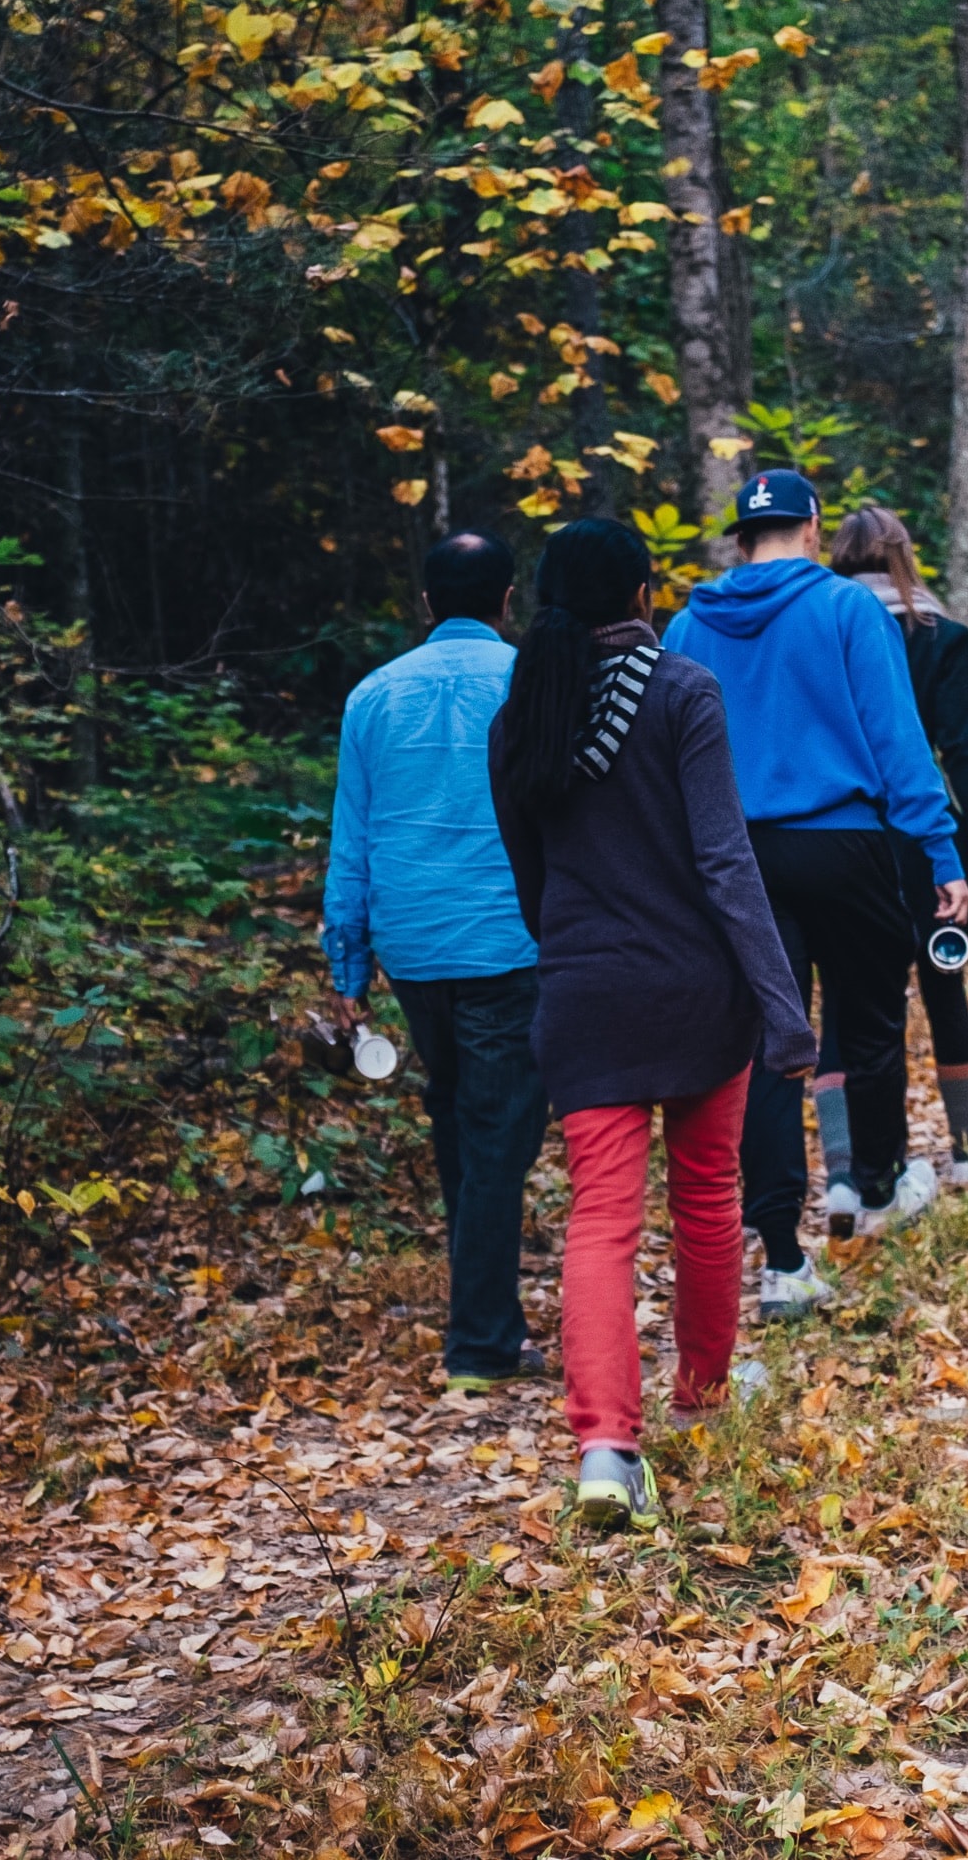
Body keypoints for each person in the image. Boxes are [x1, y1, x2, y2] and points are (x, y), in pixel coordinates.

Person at [486, 518, 817, 1532]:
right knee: (708, 1196)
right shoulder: (681, 692)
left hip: (585, 997)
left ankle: (604, 1447)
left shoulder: (521, 717)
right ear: (641, 594)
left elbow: (531, 881)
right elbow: (726, 860)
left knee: (599, 1219)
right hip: (693, 993)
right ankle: (704, 1399)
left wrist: (582, 951)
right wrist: (781, 1000)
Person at [663, 471, 968, 1312]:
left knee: (770, 1042)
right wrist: (941, 852)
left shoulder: (689, 624)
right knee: (867, 1021)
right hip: (845, 844)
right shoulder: (847, 610)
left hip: (736, 858)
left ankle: (781, 1256)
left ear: (738, 539)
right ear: (810, 528)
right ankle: (873, 1190)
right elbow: (897, 740)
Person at [322, 532, 548, 1397]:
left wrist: (348, 967)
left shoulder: (373, 696)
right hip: (507, 941)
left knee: (460, 1115)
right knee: (497, 1135)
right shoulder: (530, 682)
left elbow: (354, 839)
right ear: (507, 598)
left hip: (414, 947)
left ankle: (484, 1308)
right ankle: (483, 1340)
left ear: (426, 603)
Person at [823, 506, 968, 1183]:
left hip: (839, 839)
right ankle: (966, 1152)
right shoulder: (939, 636)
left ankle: (848, 1175)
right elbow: (967, 755)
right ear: (904, 557)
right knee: (944, 990)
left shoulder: (817, 631)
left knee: (844, 1004)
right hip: (927, 841)